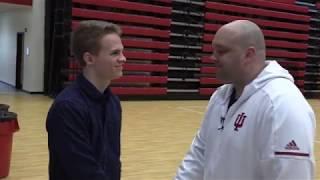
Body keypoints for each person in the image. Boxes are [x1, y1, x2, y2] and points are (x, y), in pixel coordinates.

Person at [175, 20, 315, 180]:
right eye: (213, 51)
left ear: (248, 55)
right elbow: (199, 156)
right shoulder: (220, 96)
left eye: (221, 51)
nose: (213, 57)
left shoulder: (283, 106)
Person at [46, 20, 126, 180]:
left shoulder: (113, 103)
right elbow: (82, 171)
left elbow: (112, 160)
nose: (123, 58)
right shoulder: (67, 108)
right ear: (89, 59)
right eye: (115, 53)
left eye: (122, 52)